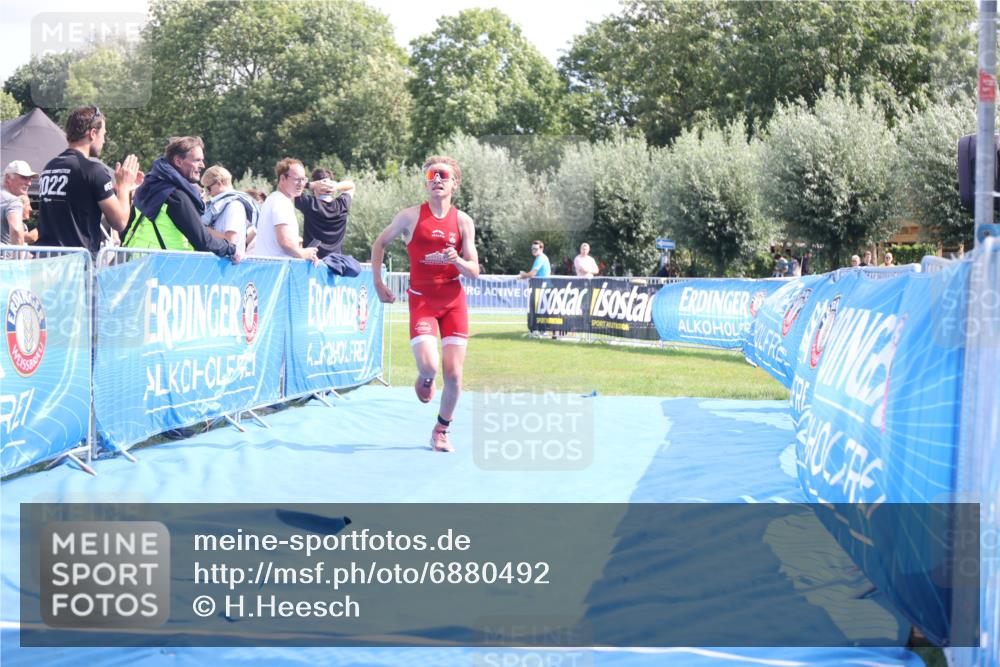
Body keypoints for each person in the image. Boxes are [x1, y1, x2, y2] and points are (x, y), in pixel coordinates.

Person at [370, 155, 480, 453]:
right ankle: (427, 377)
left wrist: (456, 259)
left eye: (443, 175)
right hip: (422, 300)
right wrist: (378, 283)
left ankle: (441, 430)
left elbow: (475, 270)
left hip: (453, 300)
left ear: (455, 183)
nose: (437, 180)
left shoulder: (463, 221)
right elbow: (379, 243)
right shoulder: (409, 216)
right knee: (430, 364)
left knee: (455, 374)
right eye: (432, 175)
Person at [36, 105, 138, 254]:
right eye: (104, 134)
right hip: (74, 265)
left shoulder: (49, 167)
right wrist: (124, 186)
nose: (104, 141)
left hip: (45, 261)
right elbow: (120, 222)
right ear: (93, 133)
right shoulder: (93, 170)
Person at [122, 136, 239, 262]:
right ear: (178, 161)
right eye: (197, 160)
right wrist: (232, 249)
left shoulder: (148, 186)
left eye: (202, 160)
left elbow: (125, 229)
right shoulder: (176, 196)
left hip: (136, 265)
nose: (202, 165)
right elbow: (204, 242)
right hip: (168, 270)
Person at [250, 158, 319, 263]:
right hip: (275, 270)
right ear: (282, 178)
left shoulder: (274, 199)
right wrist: (304, 254)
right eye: (297, 179)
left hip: (268, 268)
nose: (301, 184)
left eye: (304, 179)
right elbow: (285, 242)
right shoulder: (281, 202)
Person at [295, 167, 356, 258]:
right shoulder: (342, 205)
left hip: (312, 263)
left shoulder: (309, 204)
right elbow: (351, 186)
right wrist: (336, 186)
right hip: (335, 264)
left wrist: (311, 185)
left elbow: (293, 188)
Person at [200, 165, 257, 255]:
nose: (208, 193)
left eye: (208, 188)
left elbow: (231, 240)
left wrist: (203, 229)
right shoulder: (223, 205)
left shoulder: (234, 206)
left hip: (229, 264)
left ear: (219, 183)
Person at [2, 160, 35, 250]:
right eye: (24, 177)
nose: (29, 183)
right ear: (8, 178)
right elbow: (16, 230)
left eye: (30, 178)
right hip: (6, 261)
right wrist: (19, 261)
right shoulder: (13, 202)